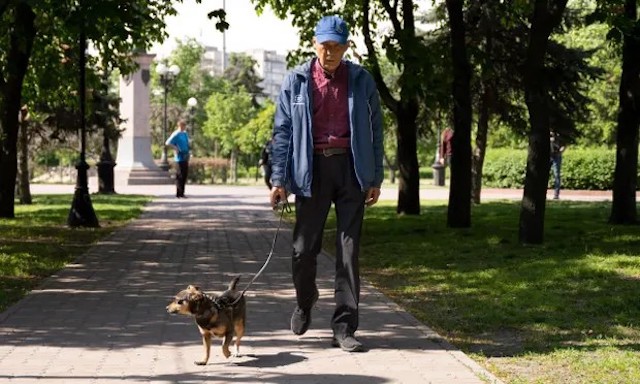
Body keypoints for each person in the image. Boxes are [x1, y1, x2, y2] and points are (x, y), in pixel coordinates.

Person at [269, 15, 384, 353]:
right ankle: (305, 301)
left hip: (351, 168)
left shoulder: (362, 80)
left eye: (337, 46)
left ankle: (345, 326)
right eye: (325, 45)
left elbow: (376, 131)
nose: (330, 52)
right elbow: (283, 133)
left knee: (348, 253)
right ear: (314, 44)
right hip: (311, 170)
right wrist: (279, 179)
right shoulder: (297, 80)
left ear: (347, 47)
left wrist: (375, 177)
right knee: (303, 249)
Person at [165, 119, 190, 198]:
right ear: (179, 125)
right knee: (179, 175)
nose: (184, 127)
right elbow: (168, 142)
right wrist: (175, 148)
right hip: (179, 157)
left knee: (184, 175)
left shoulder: (185, 134)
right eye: (182, 125)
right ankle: (178, 193)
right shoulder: (176, 134)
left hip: (185, 155)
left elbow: (187, 143)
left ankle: (182, 192)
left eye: (184, 125)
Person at [550, 131, 565, 199]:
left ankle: (556, 194)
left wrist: (560, 152)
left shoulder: (559, 137)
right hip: (548, 156)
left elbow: (564, 145)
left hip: (556, 156)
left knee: (556, 175)